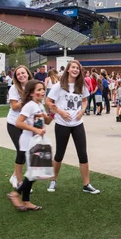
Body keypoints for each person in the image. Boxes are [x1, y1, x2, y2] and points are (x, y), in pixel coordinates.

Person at [46, 60, 100, 194]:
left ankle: (86, 184)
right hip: (62, 124)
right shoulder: (59, 85)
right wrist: (60, 112)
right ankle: (53, 180)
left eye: (78, 68)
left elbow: (85, 100)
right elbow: (48, 101)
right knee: (59, 154)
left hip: (77, 124)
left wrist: (82, 111)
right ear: (68, 70)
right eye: (73, 67)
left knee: (83, 154)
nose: (75, 70)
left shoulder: (81, 85)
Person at [6, 80, 53, 211]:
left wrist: (53, 112)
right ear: (31, 93)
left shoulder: (39, 105)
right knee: (34, 171)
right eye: (38, 90)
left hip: (37, 141)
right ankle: (16, 195)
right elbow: (18, 123)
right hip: (28, 142)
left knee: (34, 172)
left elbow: (47, 121)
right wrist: (36, 130)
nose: (42, 92)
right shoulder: (29, 106)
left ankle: (25, 200)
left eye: (43, 89)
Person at [7, 65, 34, 190]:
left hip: (27, 125)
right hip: (14, 123)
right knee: (21, 150)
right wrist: (27, 99)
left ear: (28, 74)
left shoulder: (34, 86)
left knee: (26, 152)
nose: (21, 75)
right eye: (18, 74)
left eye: (23, 73)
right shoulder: (14, 88)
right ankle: (19, 181)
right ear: (16, 77)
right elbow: (14, 106)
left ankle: (14, 176)